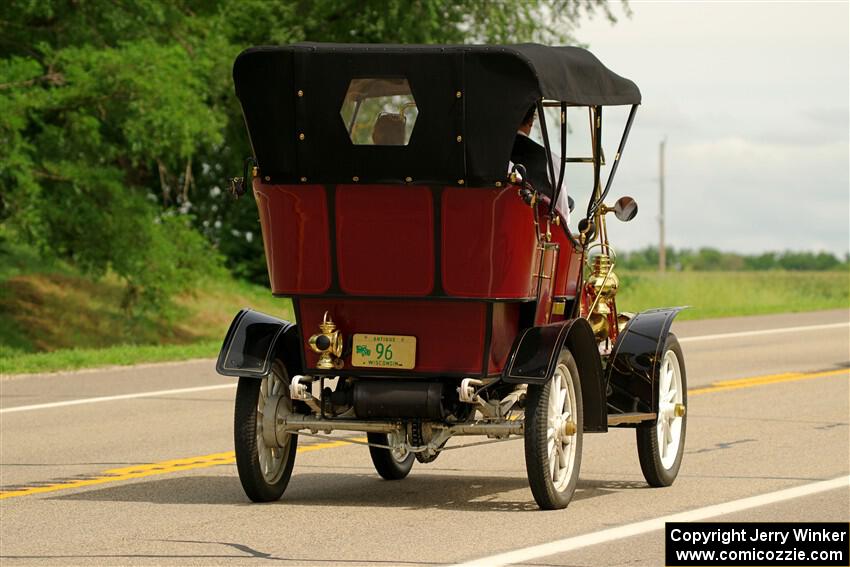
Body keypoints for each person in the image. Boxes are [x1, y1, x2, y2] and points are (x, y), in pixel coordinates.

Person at [510, 106, 572, 220]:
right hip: (533, 234)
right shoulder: (551, 160)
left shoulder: (474, 157)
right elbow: (562, 216)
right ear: (530, 121)